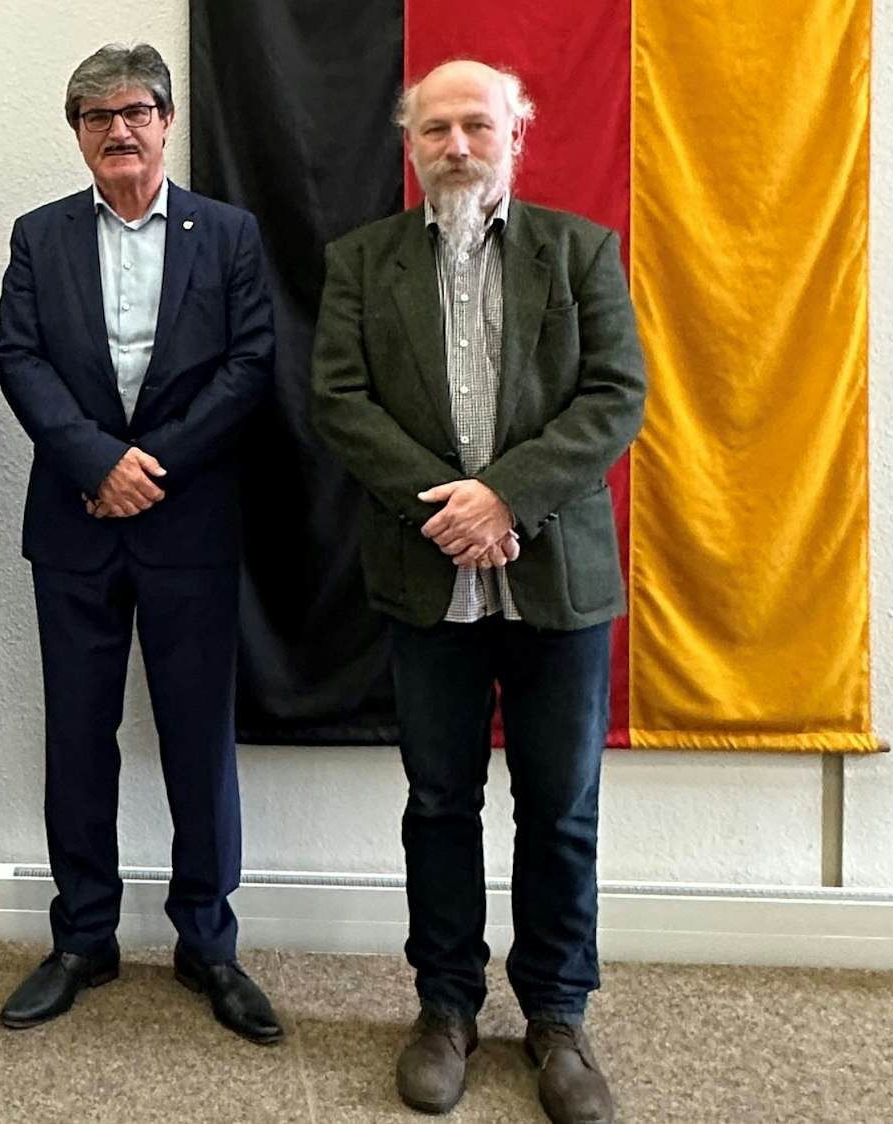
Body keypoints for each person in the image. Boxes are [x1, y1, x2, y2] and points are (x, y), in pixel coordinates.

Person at [310, 59, 647, 1124]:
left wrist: (502, 498)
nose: (456, 145)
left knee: (560, 807)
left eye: (476, 126)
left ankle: (555, 1016)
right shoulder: (361, 261)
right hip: (426, 577)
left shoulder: (578, 250)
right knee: (439, 802)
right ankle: (445, 1005)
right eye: (435, 128)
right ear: (409, 146)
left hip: (557, 573)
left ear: (516, 136)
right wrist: (446, 510)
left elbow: (614, 394)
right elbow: (340, 399)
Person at [0, 42, 281, 1045]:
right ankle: (82, 937)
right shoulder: (39, 236)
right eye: (96, 114)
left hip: (189, 522)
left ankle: (208, 938)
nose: (119, 129)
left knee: (199, 740)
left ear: (165, 121)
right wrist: (94, 463)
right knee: (77, 736)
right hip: (73, 525)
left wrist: (148, 463)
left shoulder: (230, 234)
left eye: (138, 110)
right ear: (75, 132)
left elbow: (250, 366)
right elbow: (17, 357)